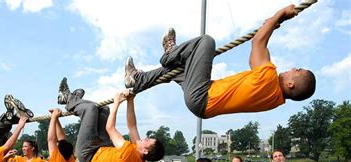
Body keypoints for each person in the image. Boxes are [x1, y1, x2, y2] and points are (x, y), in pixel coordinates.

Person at [124, 4, 316, 119]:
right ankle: (137, 80)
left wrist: (280, 14)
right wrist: (271, 24)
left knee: (206, 41)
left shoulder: (268, 80)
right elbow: (260, 46)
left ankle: (170, 53)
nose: (291, 68)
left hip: (202, 96)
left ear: (291, 84)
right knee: (182, 66)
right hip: (202, 103)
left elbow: (258, 42)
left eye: (296, 70)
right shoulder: (275, 100)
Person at [57, 78, 165, 162]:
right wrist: (130, 101)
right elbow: (132, 126)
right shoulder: (139, 157)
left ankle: (68, 98)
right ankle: (75, 100)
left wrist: (116, 103)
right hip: (103, 146)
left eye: (148, 141)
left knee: (90, 109)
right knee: (104, 109)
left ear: (145, 151)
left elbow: (110, 128)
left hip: (89, 153)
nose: (145, 138)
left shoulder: (129, 154)